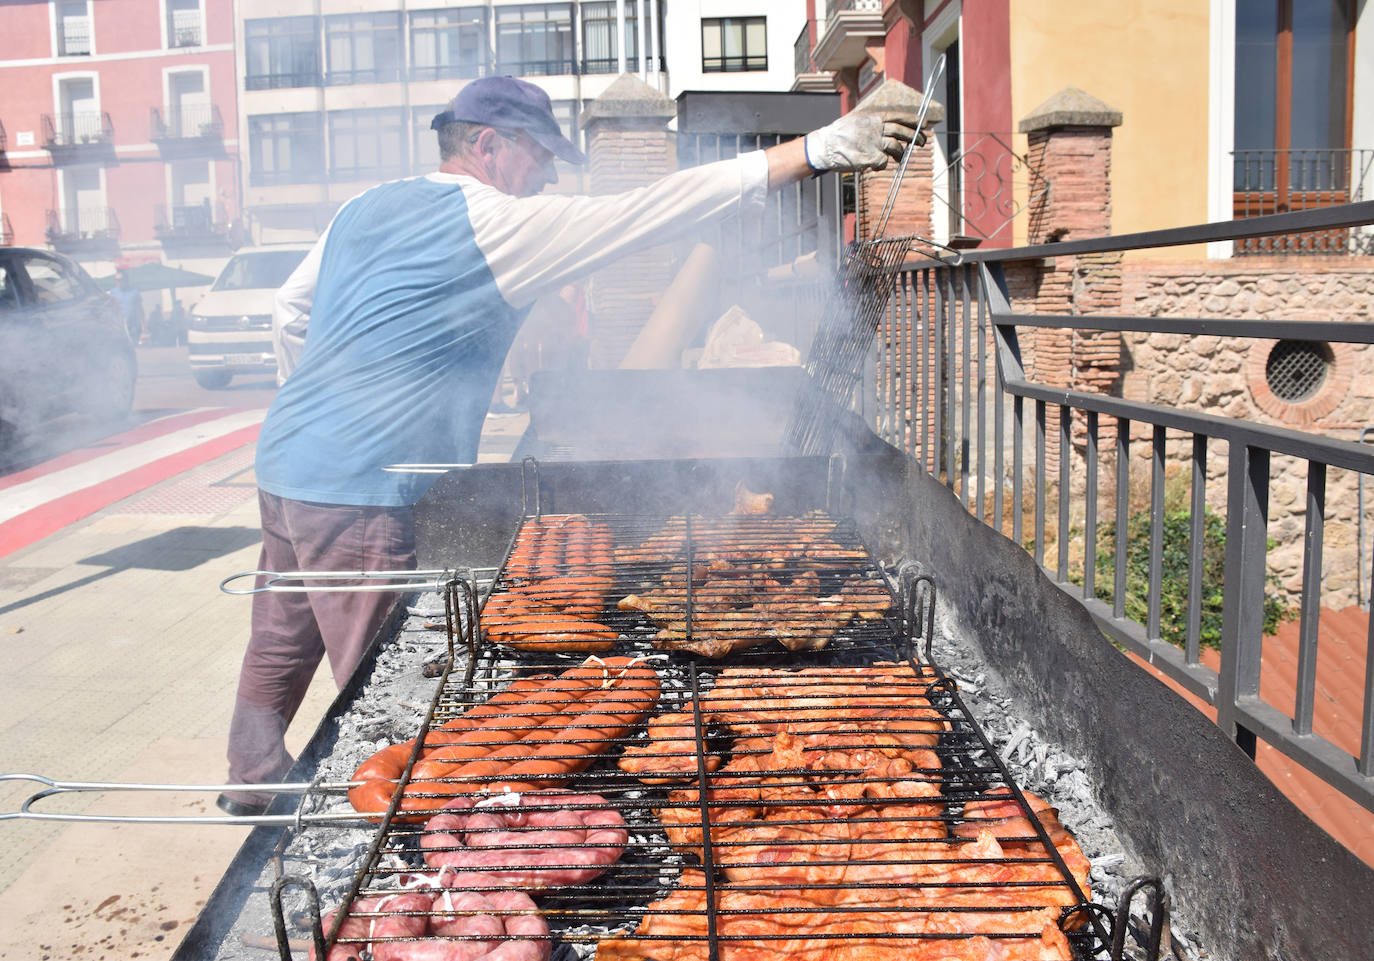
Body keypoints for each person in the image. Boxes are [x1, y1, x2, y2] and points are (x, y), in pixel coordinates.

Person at [219, 76, 918, 816]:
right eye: (539, 154)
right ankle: (405, 829)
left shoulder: (364, 207)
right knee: (382, 674)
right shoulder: (491, 221)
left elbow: (289, 310)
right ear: (488, 146)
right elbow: (642, 214)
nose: (549, 173)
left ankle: (251, 773)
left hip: (287, 457)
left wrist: (317, 410)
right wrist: (811, 151)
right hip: (358, 484)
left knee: (283, 622)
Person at [111, 270, 144, 344]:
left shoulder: (134, 292)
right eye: (116, 280)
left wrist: (143, 329)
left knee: (134, 349)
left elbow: (140, 310)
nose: (118, 282)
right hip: (119, 328)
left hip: (133, 327)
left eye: (120, 280)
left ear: (126, 280)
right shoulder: (112, 293)